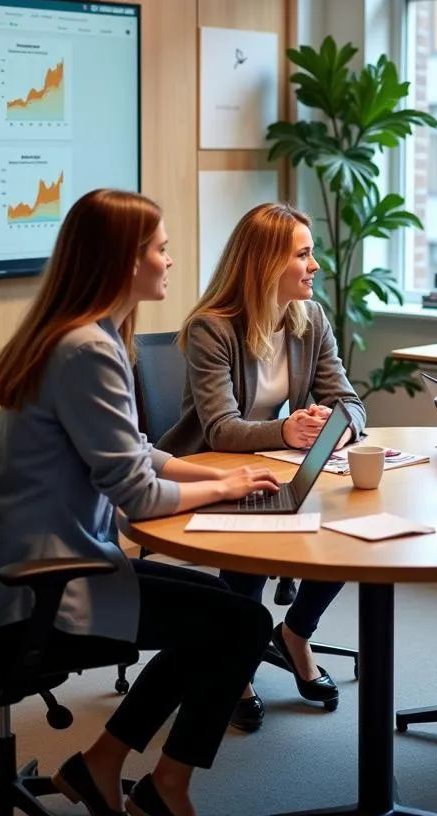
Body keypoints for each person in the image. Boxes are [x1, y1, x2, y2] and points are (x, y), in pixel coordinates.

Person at [0, 189, 281, 816]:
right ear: (123, 262)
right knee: (241, 624)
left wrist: (223, 473)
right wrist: (221, 488)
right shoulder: (86, 351)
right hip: (45, 583)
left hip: (49, 558)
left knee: (222, 611)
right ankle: (164, 785)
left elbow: (136, 449)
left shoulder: (82, 336)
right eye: (160, 250)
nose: (169, 261)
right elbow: (138, 496)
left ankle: (102, 766)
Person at [159, 202, 368, 732]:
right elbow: (220, 429)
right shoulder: (212, 328)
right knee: (252, 539)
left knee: (353, 531)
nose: (315, 265)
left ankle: (296, 632)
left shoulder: (310, 318)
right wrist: (288, 430)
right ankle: (239, 667)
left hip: (279, 464)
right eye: (303, 254)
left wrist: (338, 426)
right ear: (265, 264)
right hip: (207, 468)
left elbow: (350, 401)